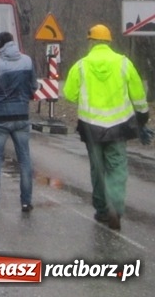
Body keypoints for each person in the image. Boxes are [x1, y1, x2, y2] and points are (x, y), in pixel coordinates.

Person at [63, 24, 150, 231]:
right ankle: (115, 207)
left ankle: (101, 210)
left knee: (98, 170)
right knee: (117, 169)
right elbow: (138, 93)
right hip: (118, 127)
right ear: (109, 41)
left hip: (91, 127)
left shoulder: (81, 66)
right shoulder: (123, 63)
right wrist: (143, 115)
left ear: (91, 41)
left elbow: (68, 93)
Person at [0, 31, 38, 213]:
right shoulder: (27, 61)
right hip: (21, 117)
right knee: (24, 160)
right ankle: (26, 202)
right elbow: (34, 86)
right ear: (13, 43)